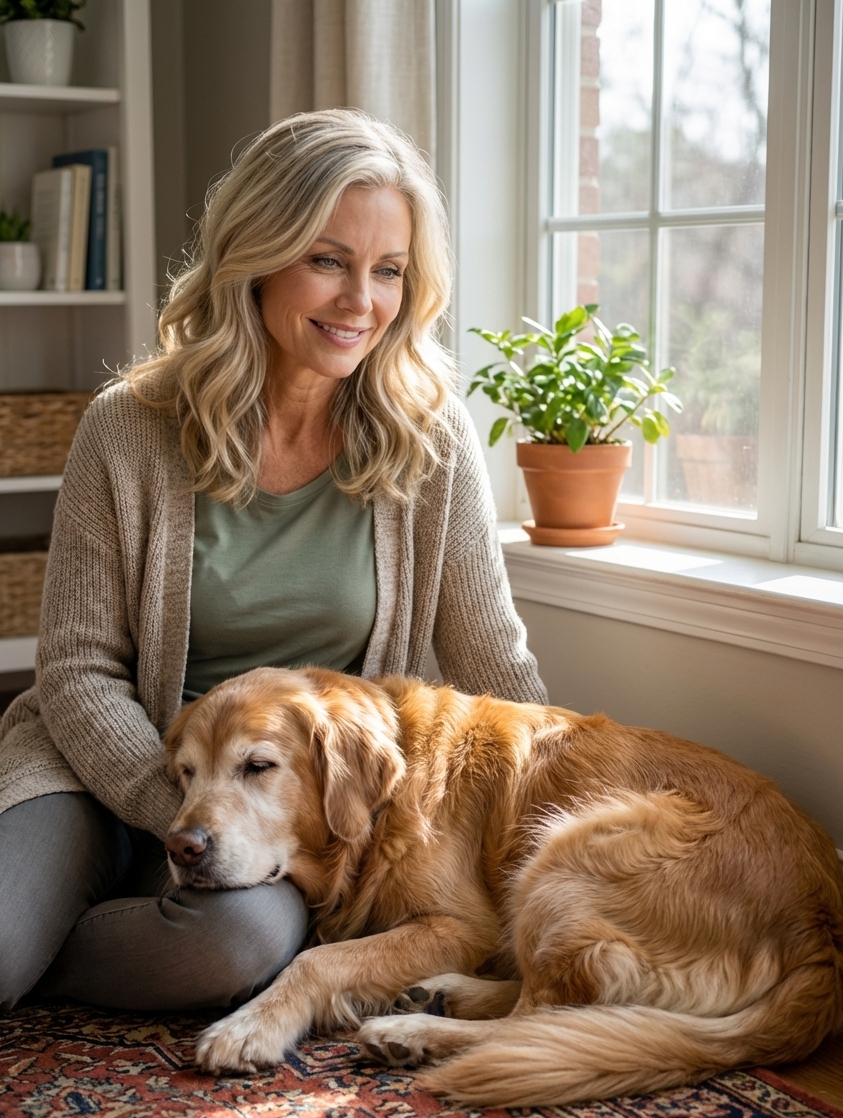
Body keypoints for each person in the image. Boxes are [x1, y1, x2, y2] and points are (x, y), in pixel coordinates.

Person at [0, 109, 547, 1014]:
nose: (359, 301)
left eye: (388, 271)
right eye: (327, 260)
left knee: (228, 953)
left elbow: (492, 656)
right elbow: (77, 670)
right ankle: (61, 899)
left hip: (283, 811)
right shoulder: (127, 428)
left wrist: (542, 826)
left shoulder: (428, 436)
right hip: (110, 772)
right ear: (255, 255)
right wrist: (185, 817)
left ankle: (94, 923)